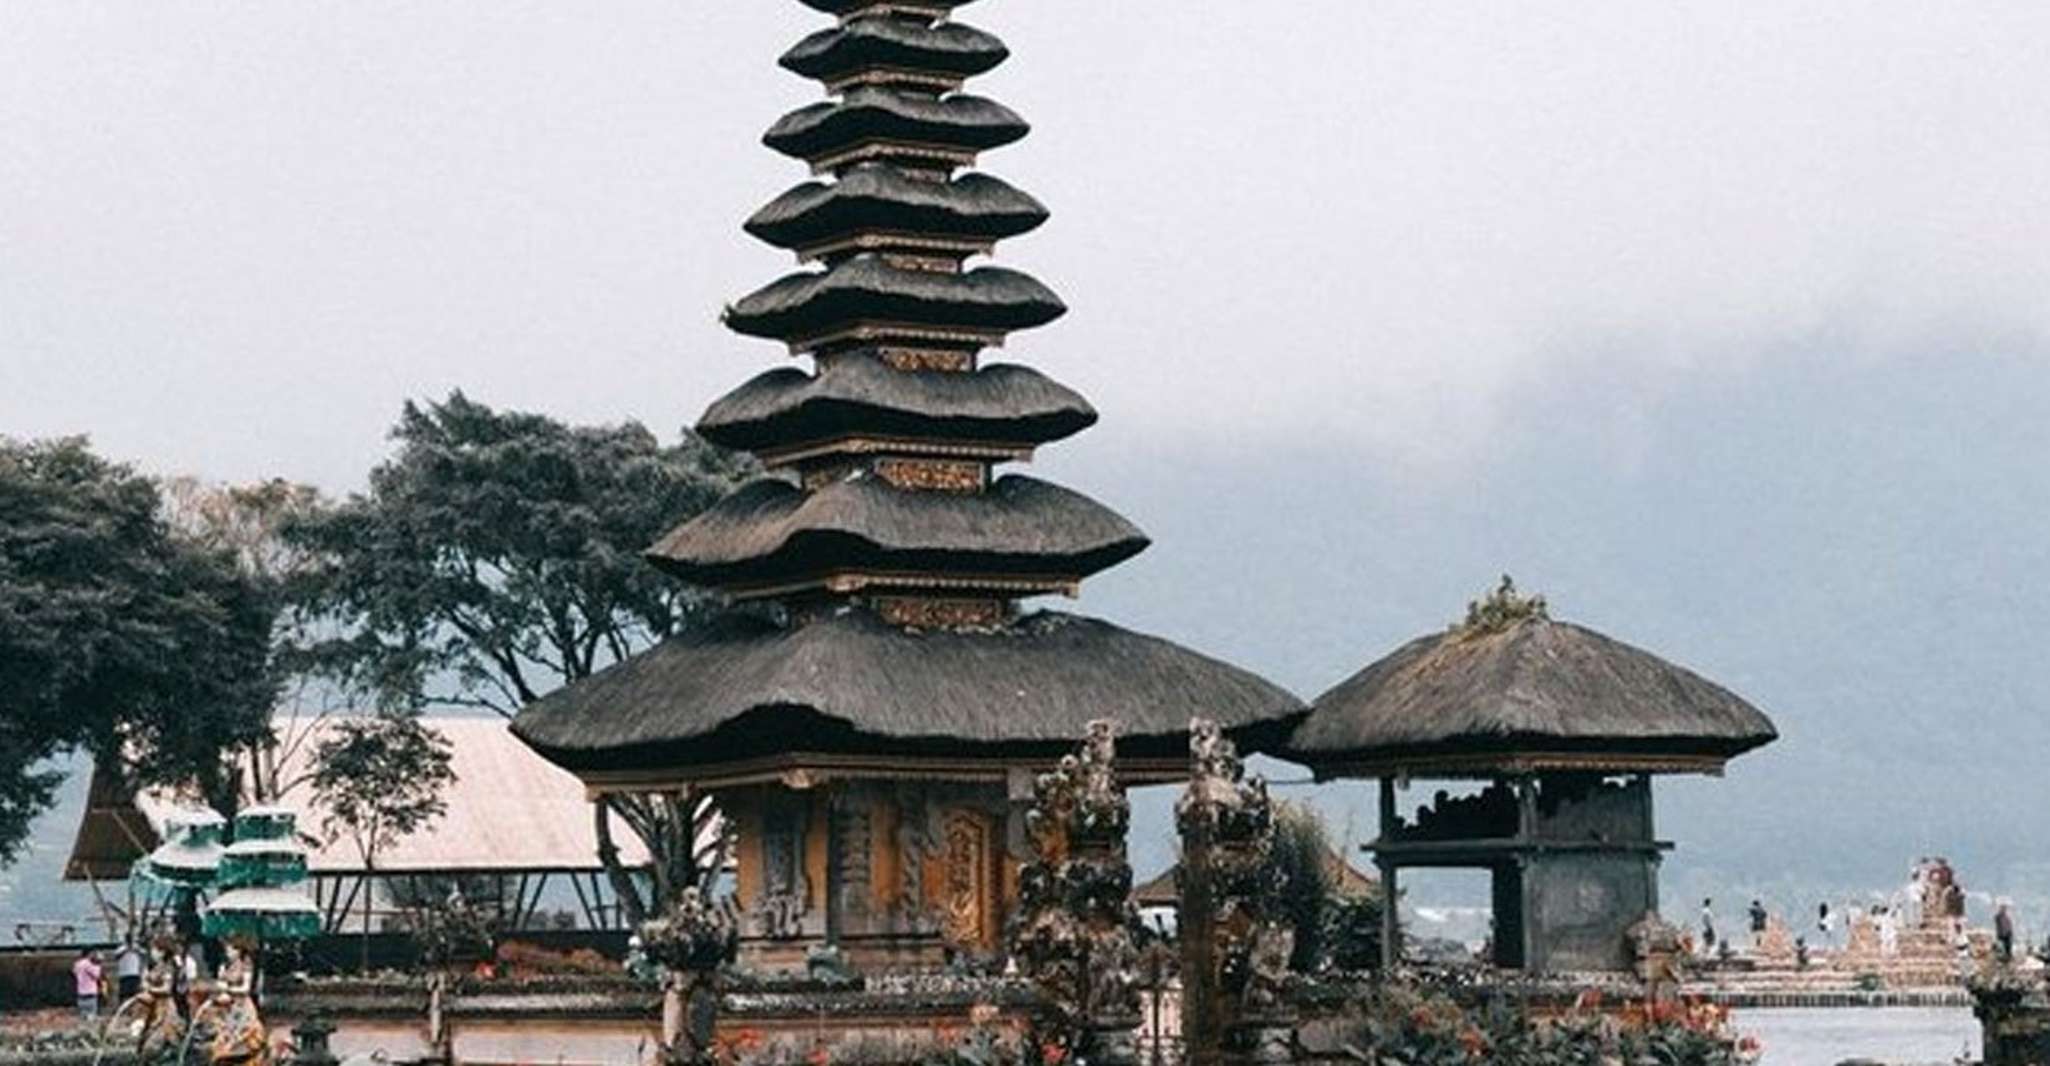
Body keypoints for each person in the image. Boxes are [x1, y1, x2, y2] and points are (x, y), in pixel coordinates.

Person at [72, 948, 103, 1021]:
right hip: (90, 994)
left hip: (80, 993)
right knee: (91, 1018)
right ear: (89, 954)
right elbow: (96, 976)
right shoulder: (88, 964)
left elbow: (74, 973)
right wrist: (99, 963)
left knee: (83, 1018)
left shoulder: (77, 964)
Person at [115, 936, 146, 1002]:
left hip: (135, 974)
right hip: (124, 975)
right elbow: (117, 955)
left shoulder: (137, 947)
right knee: (124, 995)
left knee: (135, 995)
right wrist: (127, 949)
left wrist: (136, 949)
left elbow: (144, 953)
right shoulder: (121, 948)